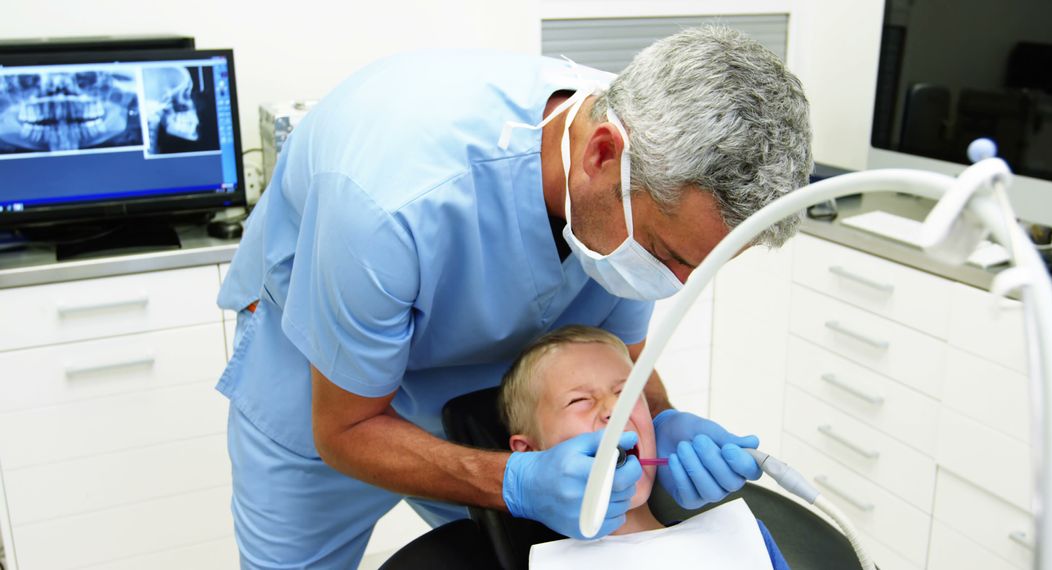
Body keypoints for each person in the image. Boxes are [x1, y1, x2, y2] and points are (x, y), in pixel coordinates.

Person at [217, 24, 812, 568]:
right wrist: (515, 481)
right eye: (670, 255)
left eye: (702, 268)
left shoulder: (650, 161)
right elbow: (345, 428)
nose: (677, 284)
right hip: (327, 377)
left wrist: (663, 421)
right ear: (601, 155)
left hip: (508, 384)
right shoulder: (390, 201)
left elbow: (624, 364)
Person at [498, 325, 789, 568]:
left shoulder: (744, 539)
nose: (614, 408)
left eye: (626, 392)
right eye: (578, 400)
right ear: (529, 454)